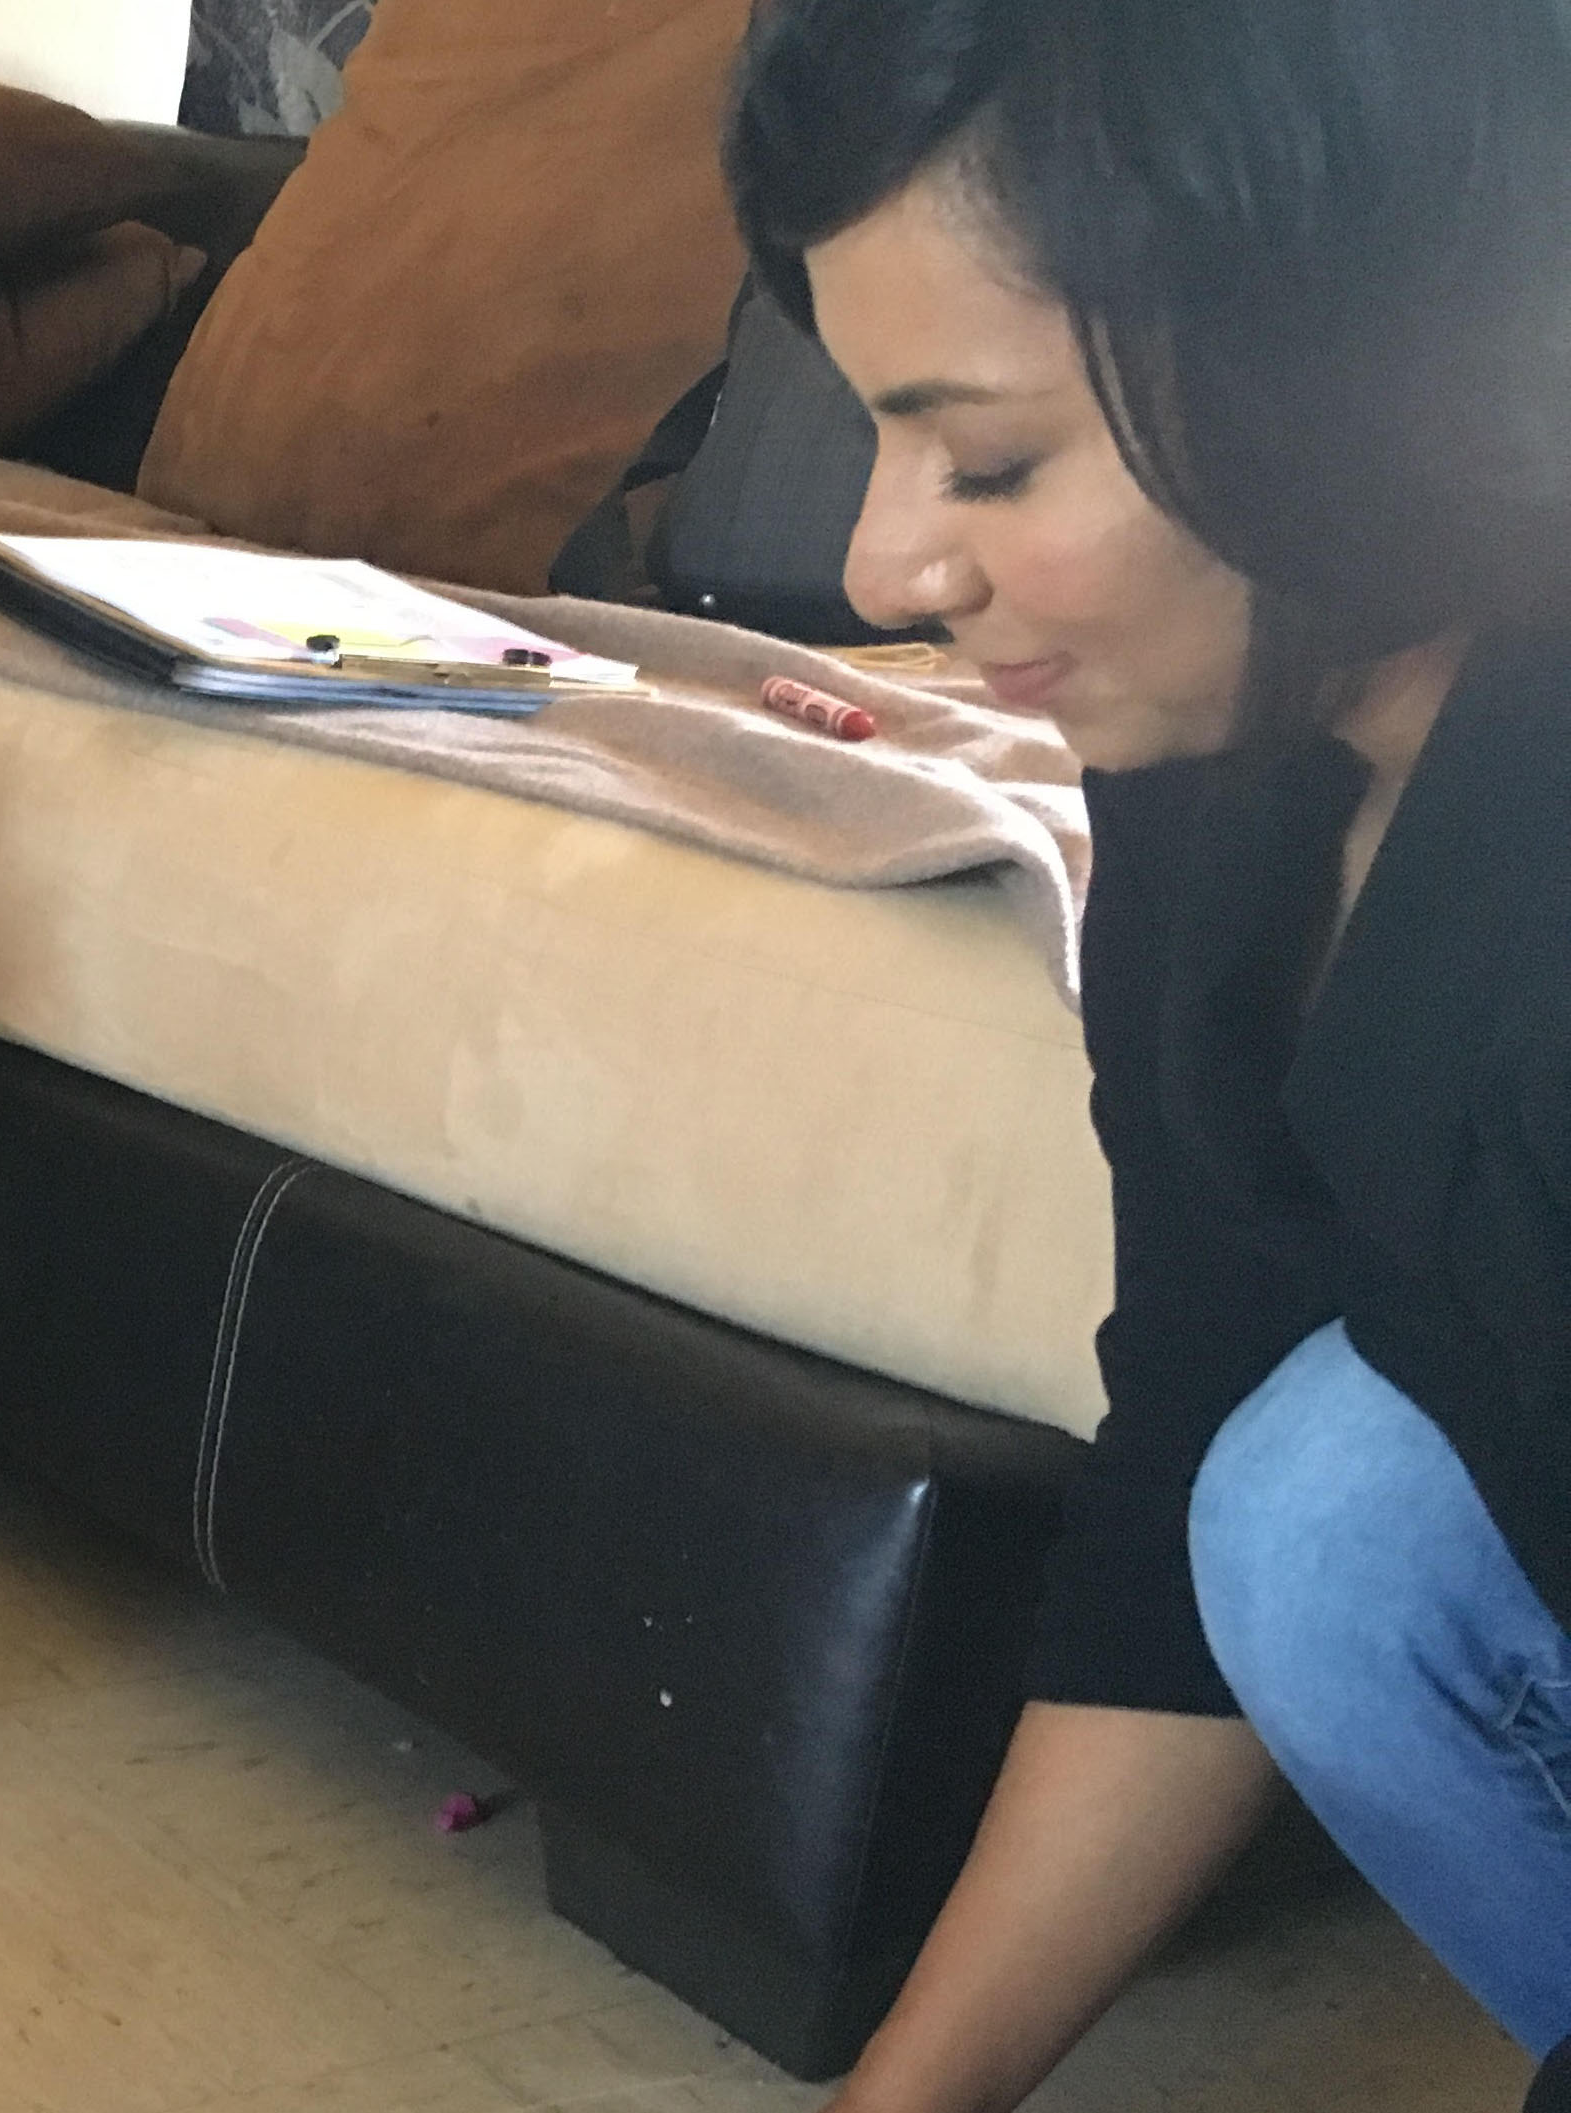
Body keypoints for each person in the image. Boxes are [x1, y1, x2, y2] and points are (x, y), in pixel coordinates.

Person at [721, 0, 1571, 2103]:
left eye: (989, 456)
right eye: (881, 441)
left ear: (1349, 359)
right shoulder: (1218, 779)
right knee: (1312, 1505)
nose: (882, 566)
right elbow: (1194, 1414)